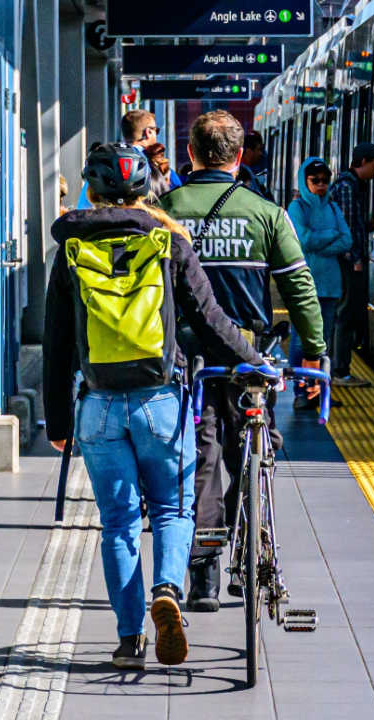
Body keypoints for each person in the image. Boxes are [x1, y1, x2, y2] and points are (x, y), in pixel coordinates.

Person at [43, 143, 264, 671]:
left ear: (90, 191)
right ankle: (168, 590)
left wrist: (57, 423)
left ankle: (127, 640)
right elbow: (210, 321)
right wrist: (253, 363)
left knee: (117, 523)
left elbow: (56, 344)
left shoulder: (70, 248)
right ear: (146, 190)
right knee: (171, 509)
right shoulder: (168, 242)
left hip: (97, 405)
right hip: (160, 401)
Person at [161, 110, 326, 611]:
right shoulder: (266, 212)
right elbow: (299, 287)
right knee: (253, 451)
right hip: (248, 357)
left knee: (200, 459)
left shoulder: (164, 209)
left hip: (185, 359)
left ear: (190, 155)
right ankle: (248, 546)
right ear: (238, 158)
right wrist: (314, 354)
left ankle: (203, 576)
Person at [286, 158, 351, 411]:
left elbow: (347, 240)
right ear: (305, 181)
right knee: (301, 339)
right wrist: (330, 236)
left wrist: (321, 241)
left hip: (331, 285)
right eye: (315, 181)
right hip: (305, 283)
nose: (321, 185)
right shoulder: (297, 208)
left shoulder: (333, 208)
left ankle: (320, 391)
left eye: (325, 180)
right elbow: (304, 239)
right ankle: (302, 390)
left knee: (324, 340)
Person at [326, 142, 374, 384]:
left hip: (344, 260)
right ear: (362, 162)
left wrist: (369, 225)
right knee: (345, 315)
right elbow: (348, 228)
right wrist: (356, 260)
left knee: (344, 314)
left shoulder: (347, 185)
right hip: (348, 262)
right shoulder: (348, 188)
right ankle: (340, 370)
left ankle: (338, 367)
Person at [74, 111, 180, 207]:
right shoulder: (156, 165)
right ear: (148, 132)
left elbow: (84, 205)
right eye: (156, 130)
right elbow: (176, 199)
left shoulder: (103, 163)